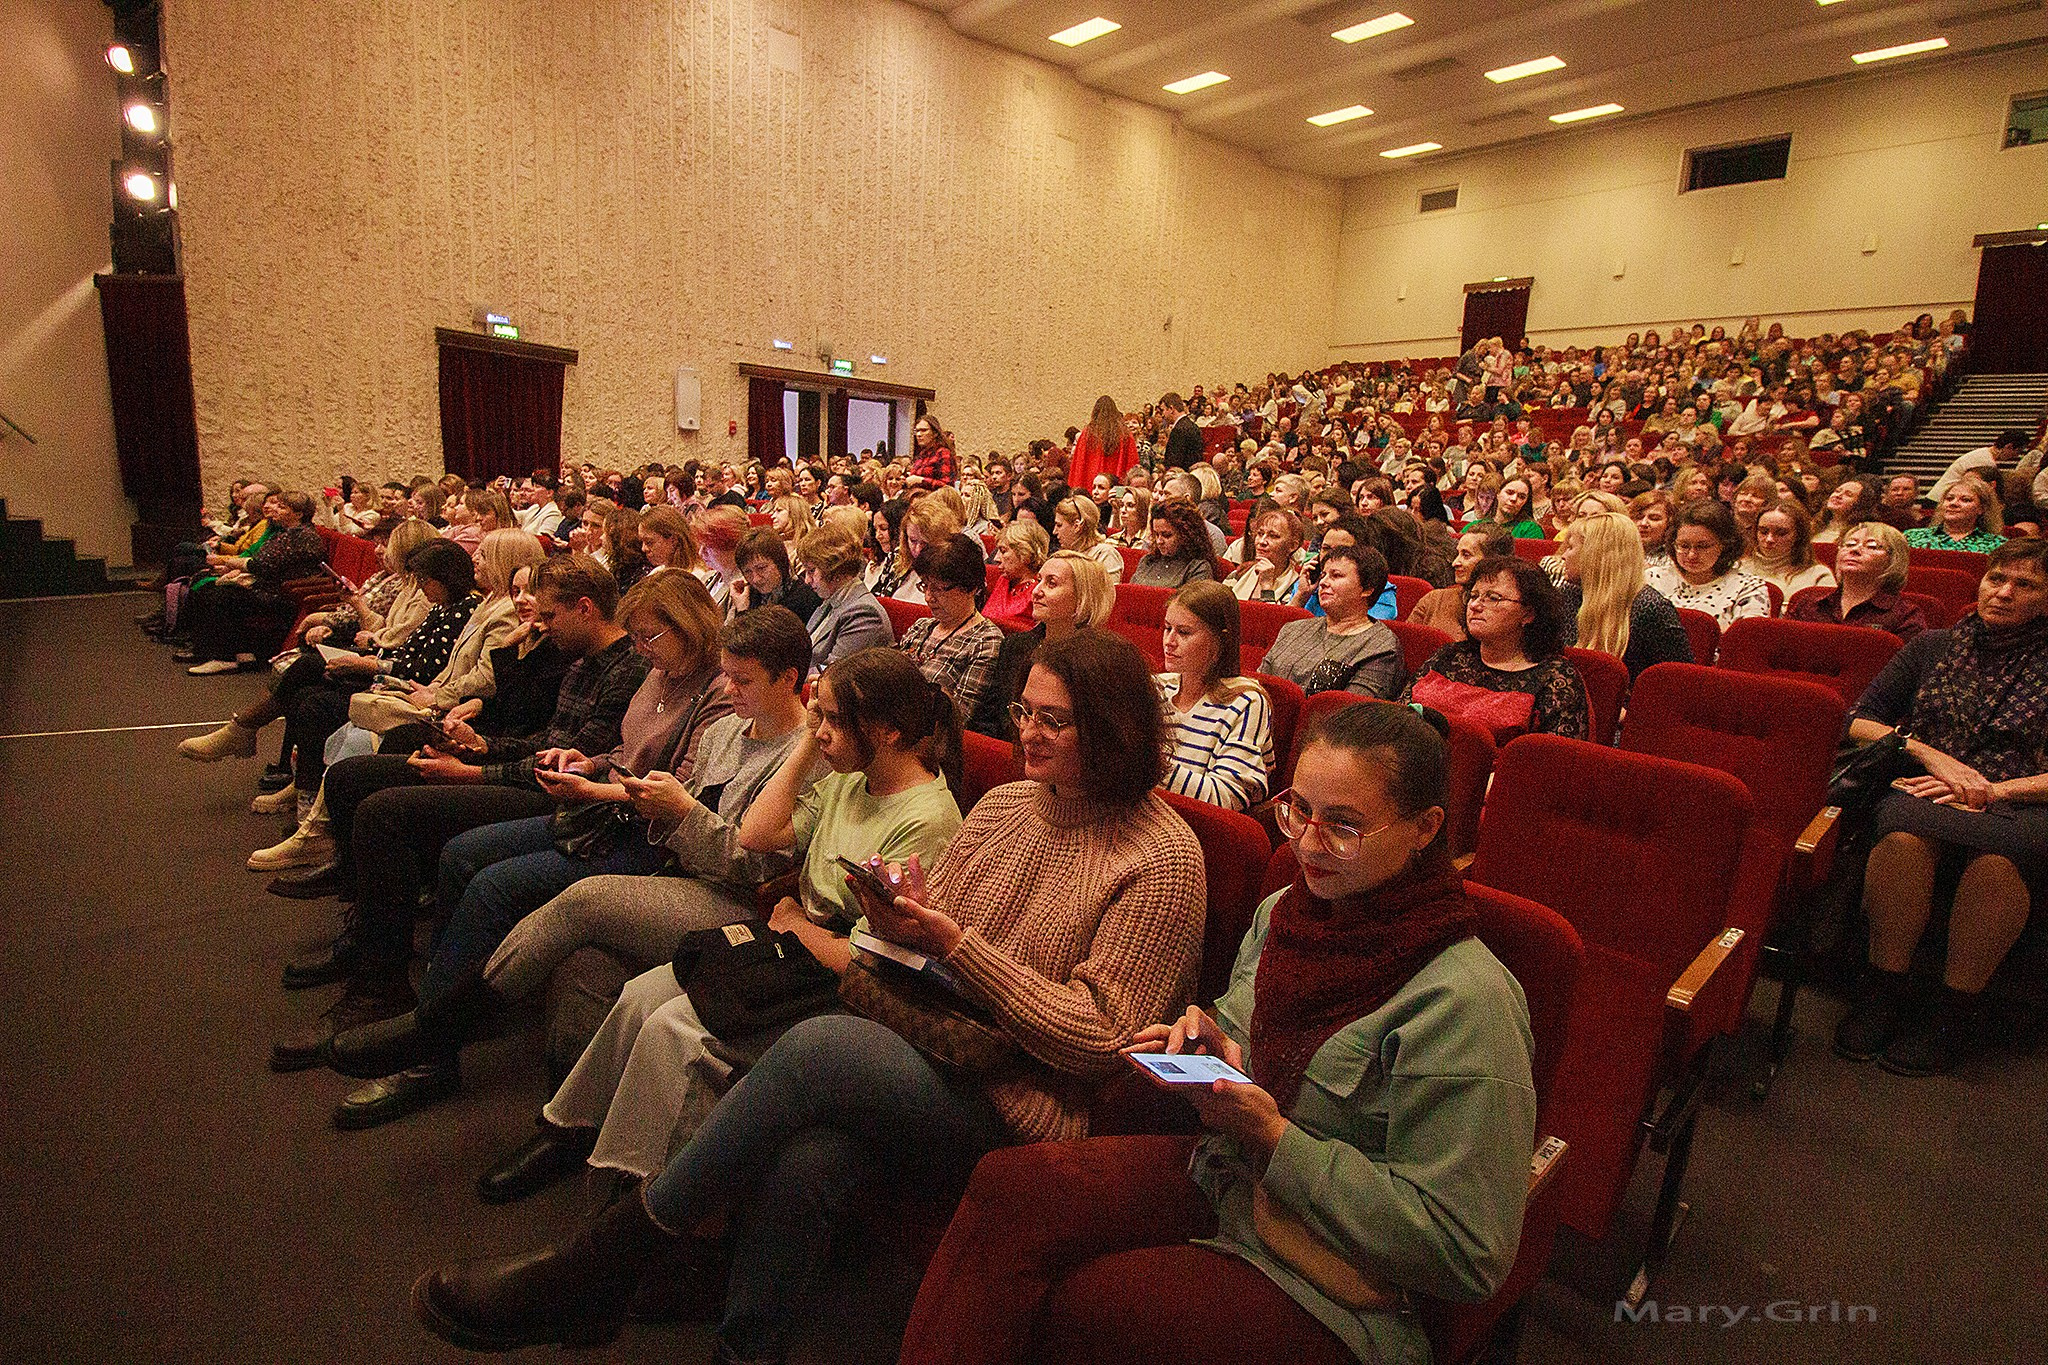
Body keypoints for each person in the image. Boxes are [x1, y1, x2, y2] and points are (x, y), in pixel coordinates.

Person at [407, 630, 1208, 1362]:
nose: (1027, 733)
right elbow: (916, 946)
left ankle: (594, 1267)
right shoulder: (1005, 807)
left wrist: (956, 946)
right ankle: (744, 1349)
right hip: (927, 1039)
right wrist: (897, 924)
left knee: (817, 1047)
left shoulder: (1163, 855)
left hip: (1019, 1099)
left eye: (1054, 721)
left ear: (1112, 727)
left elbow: (1102, 1037)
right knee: (806, 1159)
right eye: (1023, 712)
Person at [902, 702, 1536, 1365]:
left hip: (1332, 1278)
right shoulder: (1287, 914)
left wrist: (1274, 1135)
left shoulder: (1465, 999)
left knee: (1093, 1309)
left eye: (1343, 825)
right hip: (1228, 1177)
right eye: (1299, 811)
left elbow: (1465, 1250)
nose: (1309, 843)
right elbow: (1240, 1026)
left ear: (1423, 829)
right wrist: (1202, 1038)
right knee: (1008, 1191)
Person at [472, 640, 963, 1204]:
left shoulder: (927, 819)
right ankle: (570, 1131)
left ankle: (641, 1194)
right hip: (791, 942)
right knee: (638, 994)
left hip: (837, 981)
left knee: (672, 1025)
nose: (818, 730)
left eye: (831, 720)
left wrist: (798, 925)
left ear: (886, 732)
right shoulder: (851, 778)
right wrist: (808, 743)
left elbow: (872, 962)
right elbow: (757, 835)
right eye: (816, 716)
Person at [320, 571, 737, 1125]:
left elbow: (679, 789)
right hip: (602, 808)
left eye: (649, 637)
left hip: (646, 836)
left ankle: (431, 1049)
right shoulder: (659, 674)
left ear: (688, 629)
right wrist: (586, 761)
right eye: (636, 637)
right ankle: (438, 1005)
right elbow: (623, 748)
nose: (640, 649)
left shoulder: (715, 693)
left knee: (493, 882)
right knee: (461, 854)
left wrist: (594, 782)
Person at [1831, 540, 2048, 1076]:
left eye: (2026, 585)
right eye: (1997, 578)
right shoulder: (1933, 646)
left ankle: (1954, 1011)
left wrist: (1993, 790)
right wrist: (1927, 754)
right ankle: (1884, 987)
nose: (2003, 592)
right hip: (1925, 786)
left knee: (1996, 866)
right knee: (1903, 839)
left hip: (2023, 800)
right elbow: (1857, 719)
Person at [1405, 556, 1589, 740]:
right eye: (1474, 596)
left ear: (1529, 614)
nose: (1475, 605)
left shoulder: (1556, 678)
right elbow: (1399, 714)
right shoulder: (1450, 655)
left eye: (1493, 598)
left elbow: (1549, 760)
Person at [175, 489, 328, 673]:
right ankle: (240, 653)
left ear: (298, 514)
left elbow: (261, 565)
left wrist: (232, 563)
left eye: (282, 507)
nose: (275, 510)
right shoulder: (286, 531)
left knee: (218, 595)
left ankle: (225, 657)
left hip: (282, 593)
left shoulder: (301, 536)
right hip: (269, 584)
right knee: (210, 588)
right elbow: (261, 561)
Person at [967, 549, 1114, 739]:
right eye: (1039, 581)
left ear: (1083, 598)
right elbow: (988, 719)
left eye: (1051, 583)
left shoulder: (1102, 663)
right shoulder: (1015, 646)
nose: (1035, 592)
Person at [1156, 582, 1276, 813]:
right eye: (1167, 628)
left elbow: (1226, 799)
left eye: (1184, 632)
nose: (1169, 641)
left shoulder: (1246, 701)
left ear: (1219, 640)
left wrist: (1147, 764)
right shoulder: (1156, 687)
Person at [1555, 511, 1692, 678]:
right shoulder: (1567, 593)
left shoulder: (1650, 608)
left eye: (1570, 547)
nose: (1563, 556)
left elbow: (1678, 682)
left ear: (1595, 555)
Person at [1259, 545, 1402, 698]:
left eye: (1336, 576)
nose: (1323, 583)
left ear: (1367, 589)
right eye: (1323, 575)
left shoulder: (1382, 648)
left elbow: (1349, 711)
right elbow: (1259, 683)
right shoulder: (1293, 629)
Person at [895, 533, 1006, 722]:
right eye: (925, 586)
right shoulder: (921, 627)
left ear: (970, 588)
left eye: (939, 588)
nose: (929, 597)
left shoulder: (985, 641)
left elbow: (958, 718)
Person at [1786, 521, 1928, 642]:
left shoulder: (1906, 616)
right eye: (1849, 544)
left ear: (1893, 560)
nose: (1855, 550)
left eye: (1871, 546)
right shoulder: (1808, 605)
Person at [1646, 499, 1773, 627]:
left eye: (1703, 546)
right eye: (1684, 546)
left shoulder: (1748, 588)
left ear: (1725, 545)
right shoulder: (1651, 579)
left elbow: (1746, 642)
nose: (1691, 555)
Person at [796, 523, 894, 674]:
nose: (807, 580)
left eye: (811, 571)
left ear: (835, 569)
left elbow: (830, 675)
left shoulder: (865, 614)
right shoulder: (830, 600)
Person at [1408, 524, 1514, 641]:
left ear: (1492, 561)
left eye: (1466, 555)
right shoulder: (1434, 600)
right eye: (1457, 554)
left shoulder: (1507, 610)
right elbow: (1407, 646)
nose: (1455, 563)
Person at [726, 527, 820, 623]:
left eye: (761, 568)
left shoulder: (805, 598)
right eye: (747, 572)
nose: (755, 579)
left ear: (780, 563)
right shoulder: (748, 596)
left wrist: (743, 612)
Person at [1926, 429, 2029, 506]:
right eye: (2017, 452)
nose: (2016, 456)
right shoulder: (1985, 462)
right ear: (2009, 447)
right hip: (1939, 501)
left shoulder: (1983, 453)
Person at [1225, 508, 1306, 604]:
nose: (1262, 541)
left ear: (1292, 546)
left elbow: (1276, 619)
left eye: (1273, 536)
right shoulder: (1239, 573)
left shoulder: (1297, 587)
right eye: (1260, 534)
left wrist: (1267, 588)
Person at [1130, 502, 1221, 588]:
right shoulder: (1147, 561)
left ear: (1185, 535)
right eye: (1156, 534)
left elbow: (1189, 604)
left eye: (1166, 535)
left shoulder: (1197, 568)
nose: (1159, 541)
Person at [1905, 477, 2006, 553]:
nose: (1953, 503)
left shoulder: (1998, 545)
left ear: (1981, 509)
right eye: (1949, 498)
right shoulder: (1911, 537)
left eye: (1965, 500)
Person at [983, 521, 1047, 633]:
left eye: (1003, 551)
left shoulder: (1040, 590)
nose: (996, 558)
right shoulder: (1004, 579)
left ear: (1025, 553)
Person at [1052, 494, 1126, 585]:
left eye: (1059, 525)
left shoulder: (1105, 554)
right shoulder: (1061, 555)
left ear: (1077, 526)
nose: (1054, 532)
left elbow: (1108, 596)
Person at [1070, 394, 1137, 488]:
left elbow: (1079, 466)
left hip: (1090, 487)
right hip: (1117, 488)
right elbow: (1130, 465)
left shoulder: (1087, 433)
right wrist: (1120, 494)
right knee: (1116, 498)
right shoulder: (1124, 433)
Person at [905, 413, 957, 490]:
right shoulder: (922, 454)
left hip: (934, 500)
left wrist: (921, 480)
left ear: (935, 433)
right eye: (917, 431)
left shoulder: (943, 453)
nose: (919, 434)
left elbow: (947, 487)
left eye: (924, 430)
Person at [1160, 392, 1203, 470]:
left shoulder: (1178, 430)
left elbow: (1174, 462)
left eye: (1163, 410)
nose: (1162, 415)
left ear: (1171, 409)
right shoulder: (1194, 426)